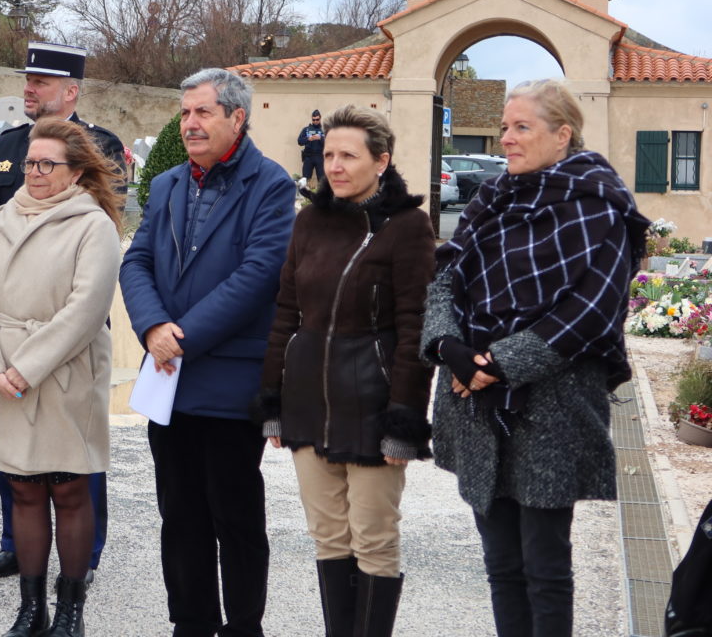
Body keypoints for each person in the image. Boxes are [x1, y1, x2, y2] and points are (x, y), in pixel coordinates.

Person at [420, 79, 649, 637]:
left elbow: (592, 310)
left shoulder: (598, 204)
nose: (506, 139)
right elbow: (443, 278)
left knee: (545, 567)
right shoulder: (492, 197)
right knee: (500, 567)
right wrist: (452, 351)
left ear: (562, 133)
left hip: (551, 405)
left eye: (522, 127)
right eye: (504, 127)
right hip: (473, 402)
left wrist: (495, 363)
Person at [119, 68, 295, 637]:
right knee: (180, 515)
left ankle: (244, 626)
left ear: (236, 118)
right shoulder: (168, 183)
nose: (189, 123)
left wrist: (181, 336)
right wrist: (150, 328)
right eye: (185, 112)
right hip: (167, 380)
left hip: (228, 384)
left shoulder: (269, 185)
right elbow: (136, 261)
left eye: (202, 113)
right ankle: (190, 622)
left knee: (236, 517)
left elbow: (258, 276)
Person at [256, 105, 435, 637]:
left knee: (374, 538)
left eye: (348, 155)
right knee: (328, 536)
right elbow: (285, 311)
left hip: (373, 401)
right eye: (328, 153)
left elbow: (415, 327)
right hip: (309, 399)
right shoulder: (309, 220)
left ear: (382, 161)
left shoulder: (408, 228)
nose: (334, 165)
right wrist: (272, 401)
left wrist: (404, 420)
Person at [0, 119, 124, 637]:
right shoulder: (1, 218)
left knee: (70, 489)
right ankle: (30, 610)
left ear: (75, 173)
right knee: (24, 489)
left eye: (48, 163)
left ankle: (70, 611)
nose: (35, 171)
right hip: (4, 376)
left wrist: (24, 369)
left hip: (66, 373)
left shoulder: (92, 223)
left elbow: (85, 311)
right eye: (32, 162)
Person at [297, 109, 325, 188]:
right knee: (305, 179)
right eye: (314, 119)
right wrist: (308, 139)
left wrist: (320, 138)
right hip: (308, 157)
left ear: (320, 119)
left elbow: (330, 142)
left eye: (317, 119)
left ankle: (322, 198)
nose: (315, 121)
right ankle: (304, 197)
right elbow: (299, 141)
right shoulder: (306, 129)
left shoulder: (324, 129)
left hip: (320, 157)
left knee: (322, 179)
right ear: (311, 119)